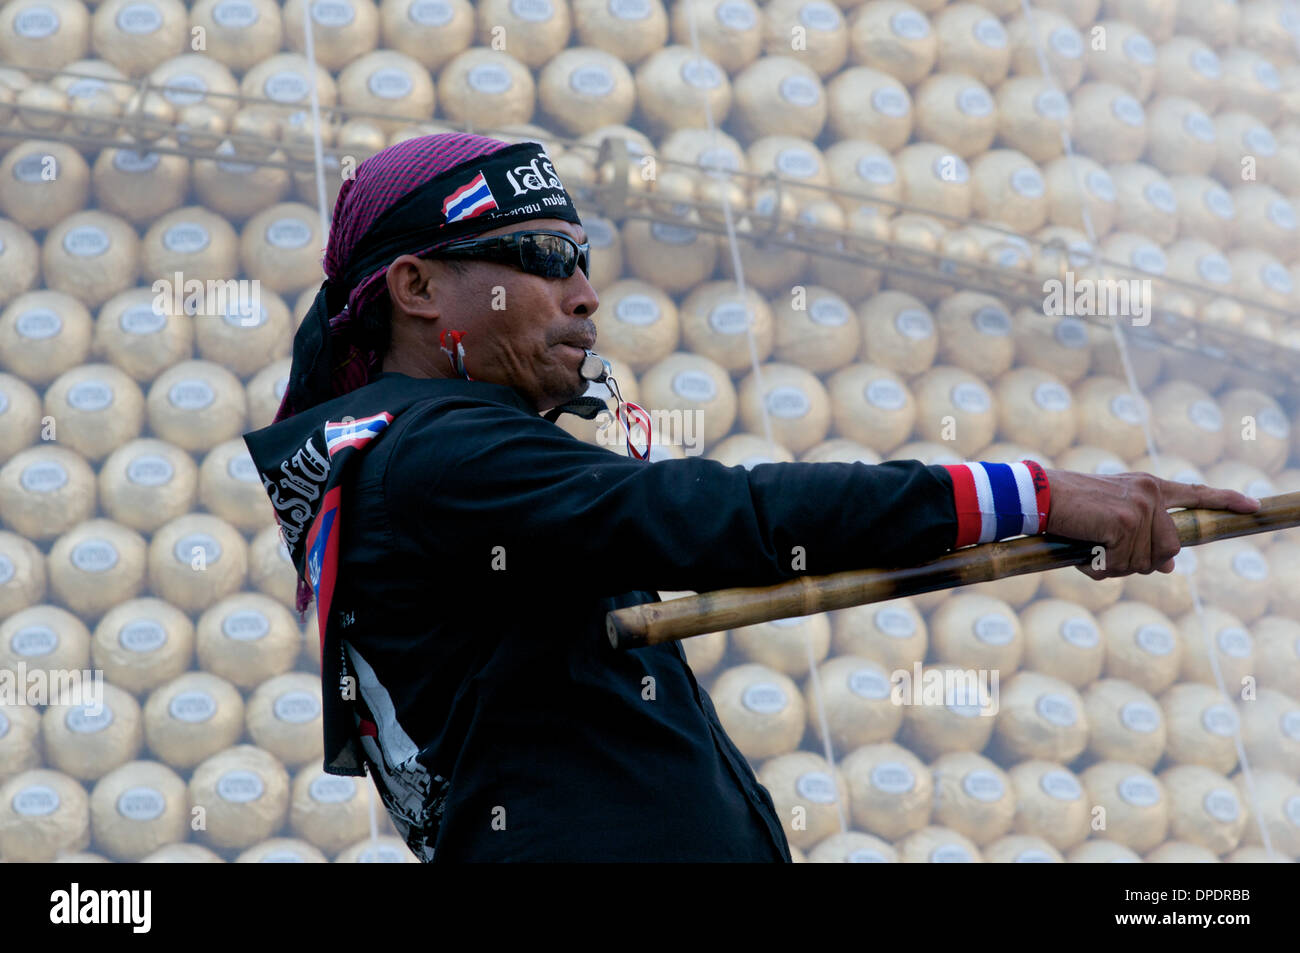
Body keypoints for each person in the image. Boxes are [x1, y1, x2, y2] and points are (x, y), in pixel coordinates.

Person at [243, 132, 1260, 862]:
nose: (585, 293)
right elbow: (724, 515)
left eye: (584, 262)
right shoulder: (436, 454)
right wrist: (1031, 492)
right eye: (543, 260)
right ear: (417, 287)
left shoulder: (426, 459)